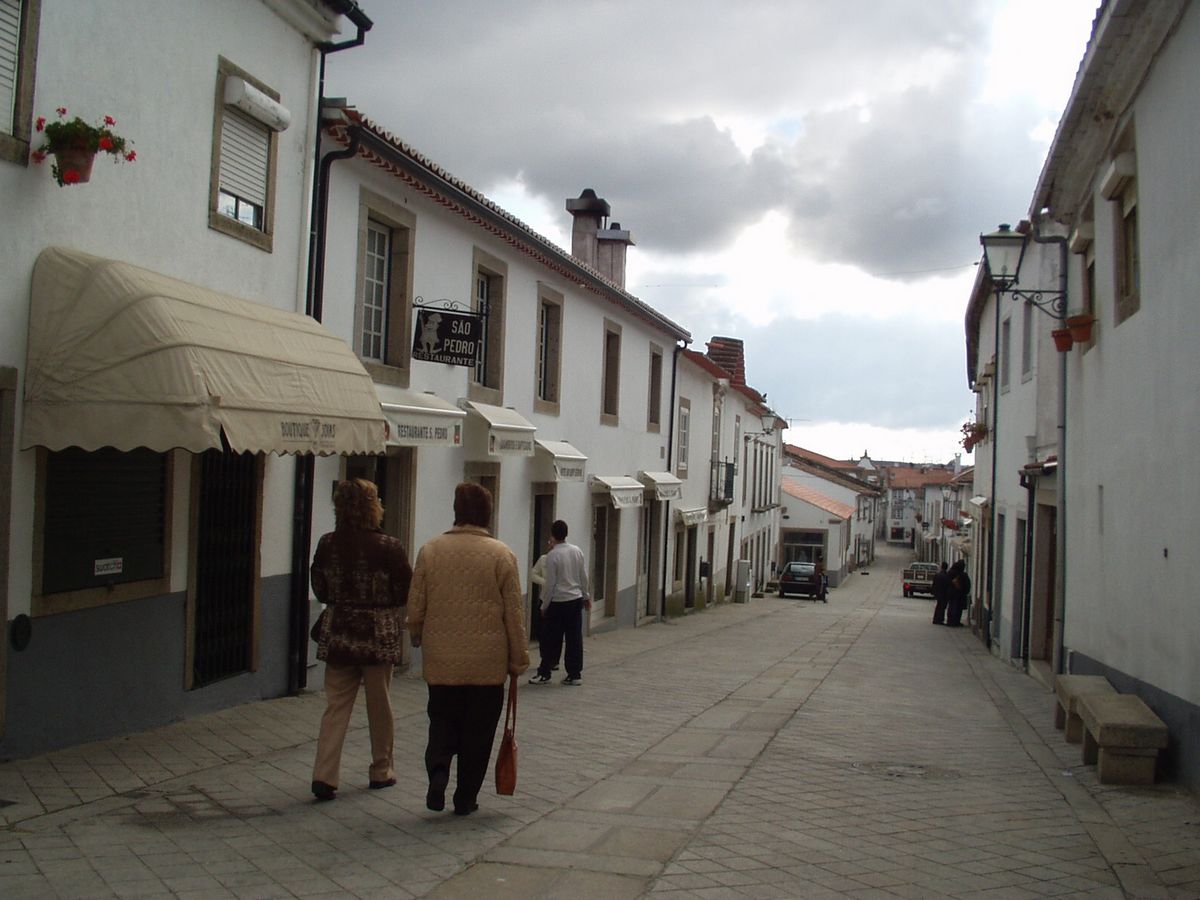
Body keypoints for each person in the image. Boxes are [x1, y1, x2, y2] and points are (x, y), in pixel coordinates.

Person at [406, 483, 529, 816]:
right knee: (479, 731)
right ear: (488, 514)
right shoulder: (502, 555)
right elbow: (513, 614)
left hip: (442, 658)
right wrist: (519, 659)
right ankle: (466, 796)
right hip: (487, 666)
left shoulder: (429, 550)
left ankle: (438, 769)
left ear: (456, 512)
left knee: (442, 719)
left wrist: (416, 632)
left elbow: (415, 606)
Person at [310, 479, 412, 802]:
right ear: (373, 507)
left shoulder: (328, 543)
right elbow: (403, 590)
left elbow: (320, 587)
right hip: (376, 633)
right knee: (379, 705)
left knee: (335, 706)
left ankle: (324, 775)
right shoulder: (389, 546)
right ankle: (381, 770)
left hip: (339, 630)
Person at [528, 519, 590, 686]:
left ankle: (545, 672)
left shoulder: (553, 555)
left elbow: (550, 584)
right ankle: (574, 673)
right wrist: (586, 596)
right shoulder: (577, 551)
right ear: (566, 533)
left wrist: (544, 605)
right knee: (574, 638)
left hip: (558, 601)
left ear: (553, 535)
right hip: (575, 599)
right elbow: (583, 576)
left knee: (550, 638)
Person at [947, 559, 971, 627]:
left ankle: (950, 621)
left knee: (951, 606)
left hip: (950, 593)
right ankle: (955, 621)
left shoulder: (950, 572)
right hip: (959, 594)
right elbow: (966, 584)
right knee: (957, 608)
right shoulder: (961, 574)